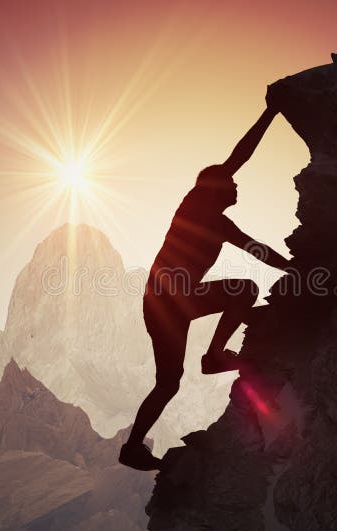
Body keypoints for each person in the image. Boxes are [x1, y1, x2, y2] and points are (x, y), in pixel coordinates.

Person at [119, 94, 290, 471]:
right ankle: (213, 355)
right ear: (215, 186)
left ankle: (131, 447)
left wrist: (293, 269)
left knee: (169, 383)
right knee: (244, 289)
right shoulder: (197, 204)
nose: (236, 187)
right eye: (230, 183)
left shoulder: (221, 223)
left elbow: (255, 248)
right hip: (169, 301)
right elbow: (239, 157)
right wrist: (270, 112)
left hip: (167, 304)